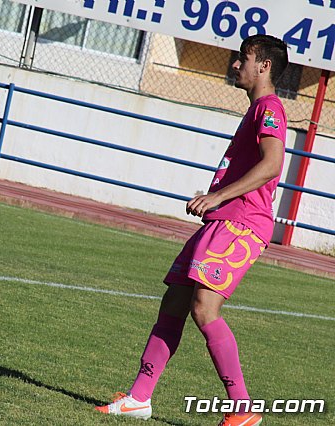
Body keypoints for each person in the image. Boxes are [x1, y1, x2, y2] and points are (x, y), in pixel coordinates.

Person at [95, 34, 289, 426]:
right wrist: (218, 197)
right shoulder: (255, 110)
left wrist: (220, 197)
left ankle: (243, 407)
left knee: (204, 307)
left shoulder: (269, 108)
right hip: (223, 221)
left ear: (264, 66)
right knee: (175, 302)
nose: (235, 65)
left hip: (241, 223)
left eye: (242, 59)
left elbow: (272, 165)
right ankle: (138, 398)